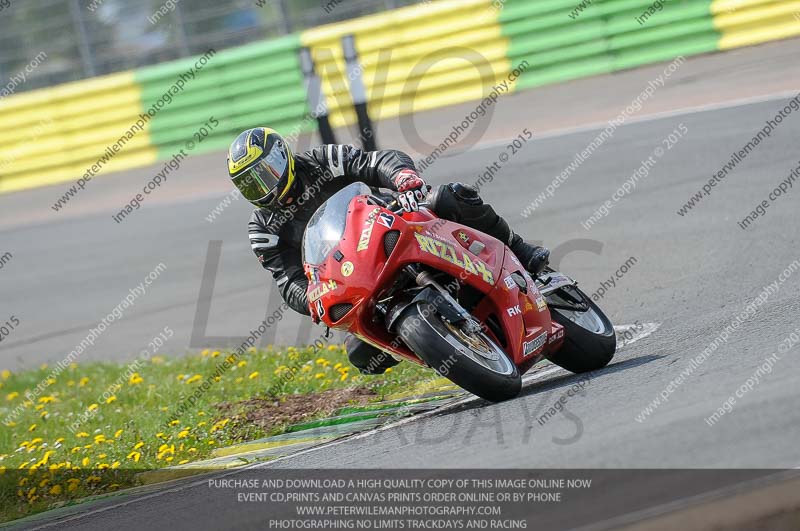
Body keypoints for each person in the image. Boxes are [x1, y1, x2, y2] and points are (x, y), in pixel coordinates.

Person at [228, 127, 550, 374]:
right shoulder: (262, 229)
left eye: (265, 174)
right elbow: (287, 281)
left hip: (389, 222)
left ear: (282, 157)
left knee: (450, 197)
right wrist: (310, 298)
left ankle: (520, 249)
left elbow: (373, 162)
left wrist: (402, 177)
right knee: (360, 353)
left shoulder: (322, 160)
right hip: (353, 276)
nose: (262, 187)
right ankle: (433, 342)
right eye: (250, 184)